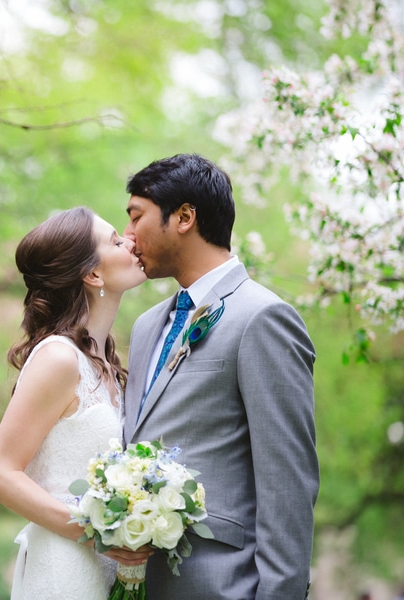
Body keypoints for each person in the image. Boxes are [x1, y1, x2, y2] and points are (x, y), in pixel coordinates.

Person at [121, 154, 319, 599]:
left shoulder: (263, 318)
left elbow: (288, 481)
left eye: (136, 217)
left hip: (223, 585)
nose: (127, 236)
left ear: (184, 217)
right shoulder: (147, 325)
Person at [0, 206, 150, 600]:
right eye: (115, 241)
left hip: (106, 572)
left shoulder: (109, 366)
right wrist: (97, 532)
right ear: (93, 275)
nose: (130, 241)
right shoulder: (59, 358)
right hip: (64, 572)